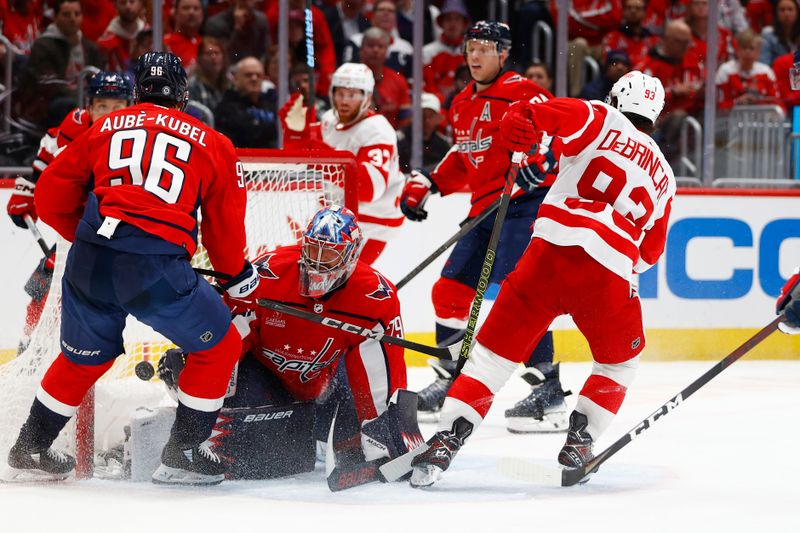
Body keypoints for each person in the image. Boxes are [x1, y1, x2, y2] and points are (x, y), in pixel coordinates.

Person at [0, 52, 259, 486]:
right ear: (183, 95)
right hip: (153, 269)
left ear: (136, 91)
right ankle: (185, 452)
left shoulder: (102, 127)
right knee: (219, 347)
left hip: (89, 264)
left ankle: (31, 445)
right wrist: (236, 272)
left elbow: (47, 196)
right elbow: (224, 229)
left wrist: (88, 233)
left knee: (83, 357)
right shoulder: (213, 142)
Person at [409, 71, 676, 487]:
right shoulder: (665, 174)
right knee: (618, 362)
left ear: (615, 98)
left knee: (491, 359)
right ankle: (580, 438)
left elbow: (550, 113)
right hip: (608, 273)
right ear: (655, 115)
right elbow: (649, 253)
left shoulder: (602, 116)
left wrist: (524, 117)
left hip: (547, 256)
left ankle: (447, 438)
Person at [158, 206, 420, 475]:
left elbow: (381, 371)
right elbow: (229, 335)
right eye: (312, 249)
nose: (317, 262)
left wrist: (386, 436)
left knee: (351, 431)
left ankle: (353, 439)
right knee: (248, 446)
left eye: (329, 254)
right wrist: (200, 367)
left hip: (322, 383)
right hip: (263, 373)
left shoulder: (375, 297)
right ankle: (189, 419)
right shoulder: (269, 273)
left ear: (351, 256)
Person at [398, 21, 566, 434]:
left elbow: (557, 132)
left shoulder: (523, 92)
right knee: (450, 290)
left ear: (503, 53)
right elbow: (464, 154)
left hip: (523, 207)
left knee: (521, 296)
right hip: (484, 211)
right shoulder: (460, 103)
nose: (475, 55)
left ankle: (548, 388)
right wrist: (431, 182)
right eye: (471, 47)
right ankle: (451, 376)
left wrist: (540, 162)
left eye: (485, 47)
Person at [6, 71, 134, 351]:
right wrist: (28, 192)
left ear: (129, 108)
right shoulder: (72, 130)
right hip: (81, 228)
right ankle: (31, 344)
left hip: (124, 232)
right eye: (102, 106)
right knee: (48, 278)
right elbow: (46, 161)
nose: (109, 114)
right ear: (89, 107)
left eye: (117, 107)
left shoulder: (137, 138)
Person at [279, 62, 404, 265]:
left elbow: (369, 190)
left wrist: (316, 149)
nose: (344, 101)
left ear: (367, 97)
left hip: (372, 223)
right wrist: (295, 130)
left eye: (352, 95)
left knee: (335, 283)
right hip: (336, 220)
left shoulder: (377, 130)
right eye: (340, 94)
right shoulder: (329, 120)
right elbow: (301, 152)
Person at [214, 56, 278, 148]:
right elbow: (249, 135)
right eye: (248, 75)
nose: (254, 78)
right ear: (236, 79)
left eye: (258, 75)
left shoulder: (271, 104)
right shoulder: (225, 108)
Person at [716, 29, 780, 111]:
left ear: (758, 52)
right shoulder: (725, 70)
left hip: (760, 119)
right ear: (737, 50)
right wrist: (737, 102)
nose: (747, 52)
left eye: (751, 48)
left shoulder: (766, 72)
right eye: (744, 48)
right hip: (730, 120)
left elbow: (776, 102)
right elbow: (718, 106)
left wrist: (759, 101)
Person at [396, 92, 451, 174]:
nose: (426, 120)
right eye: (422, 115)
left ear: (438, 118)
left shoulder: (443, 144)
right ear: (413, 117)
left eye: (431, 115)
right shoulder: (398, 139)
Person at [96, 0, 148, 72]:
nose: (128, 6)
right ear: (115, 5)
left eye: (132, 1)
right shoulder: (105, 43)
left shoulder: (150, 36)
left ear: (140, 3)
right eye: (123, 2)